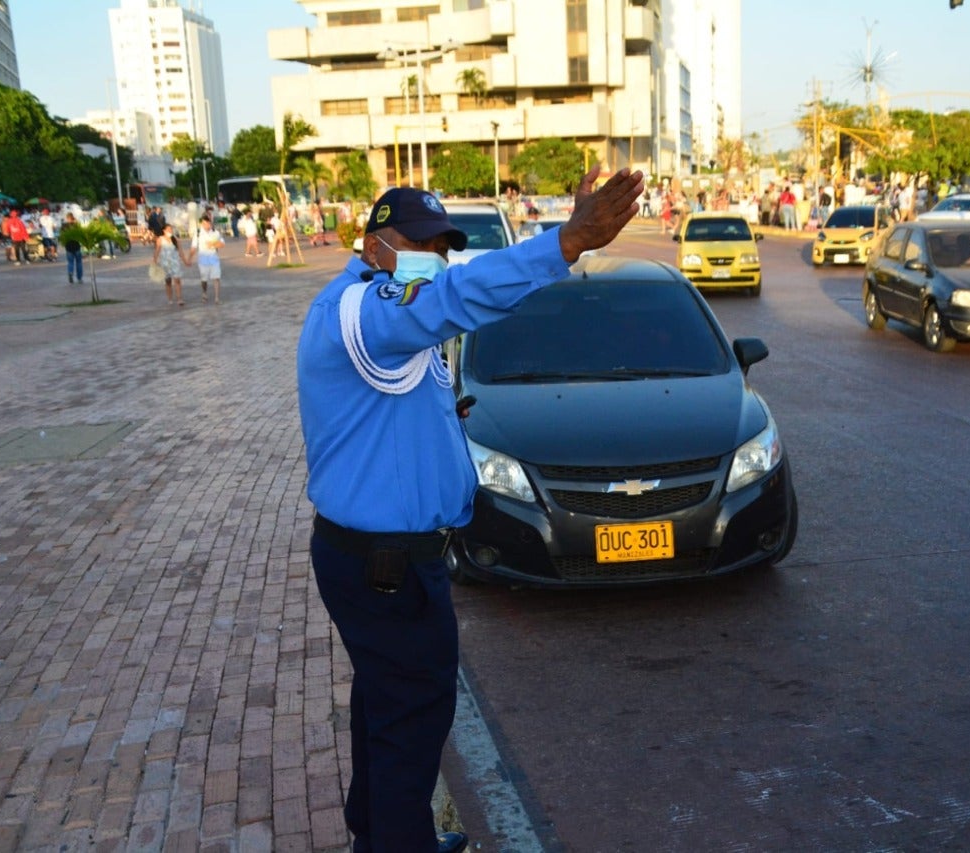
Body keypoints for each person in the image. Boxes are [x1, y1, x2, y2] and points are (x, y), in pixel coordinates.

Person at [296, 165, 643, 853]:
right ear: (373, 246)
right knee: (413, 723)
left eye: (443, 244)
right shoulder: (366, 310)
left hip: (376, 560)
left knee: (385, 709)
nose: (436, 256)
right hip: (384, 567)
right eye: (416, 241)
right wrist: (566, 242)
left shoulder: (380, 308)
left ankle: (385, 834)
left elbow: (425, 347)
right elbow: (451, 299)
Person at [190, 215, 224, 303]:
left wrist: (213, 245)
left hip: (213, 257)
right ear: (202, 223)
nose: (207, 225)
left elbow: (222, 244)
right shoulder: (198, 233)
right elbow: (194, 247)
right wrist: (189, 258)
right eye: (205, 223)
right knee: (204, 278)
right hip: (203, 258)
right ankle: (204, 293)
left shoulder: (215, 232)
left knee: (216, 277)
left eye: (209, 223)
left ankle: (217, 298)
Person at [154, 222, 188, 306]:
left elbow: (181, 252)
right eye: (168, 229)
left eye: (171, 229)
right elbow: (157, 251)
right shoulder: (160, 239)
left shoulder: (175, 239)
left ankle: (179, 298)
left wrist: (185, 261)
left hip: (175, 262)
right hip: (165, 263)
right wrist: (155, 261)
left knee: (177, 280)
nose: (170, 230)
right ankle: (170, 298)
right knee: (168, 281)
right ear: (164, 230)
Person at [63, 213, 83, 283]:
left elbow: (62, 236)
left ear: (67, 218)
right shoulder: (76, 225)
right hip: (76, 246)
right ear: (73, 218)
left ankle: (70, 272)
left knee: (70, 262)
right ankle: (79, 278)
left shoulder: (64, 226)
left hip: (68, 246)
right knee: (79, 263)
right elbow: (81, 233)